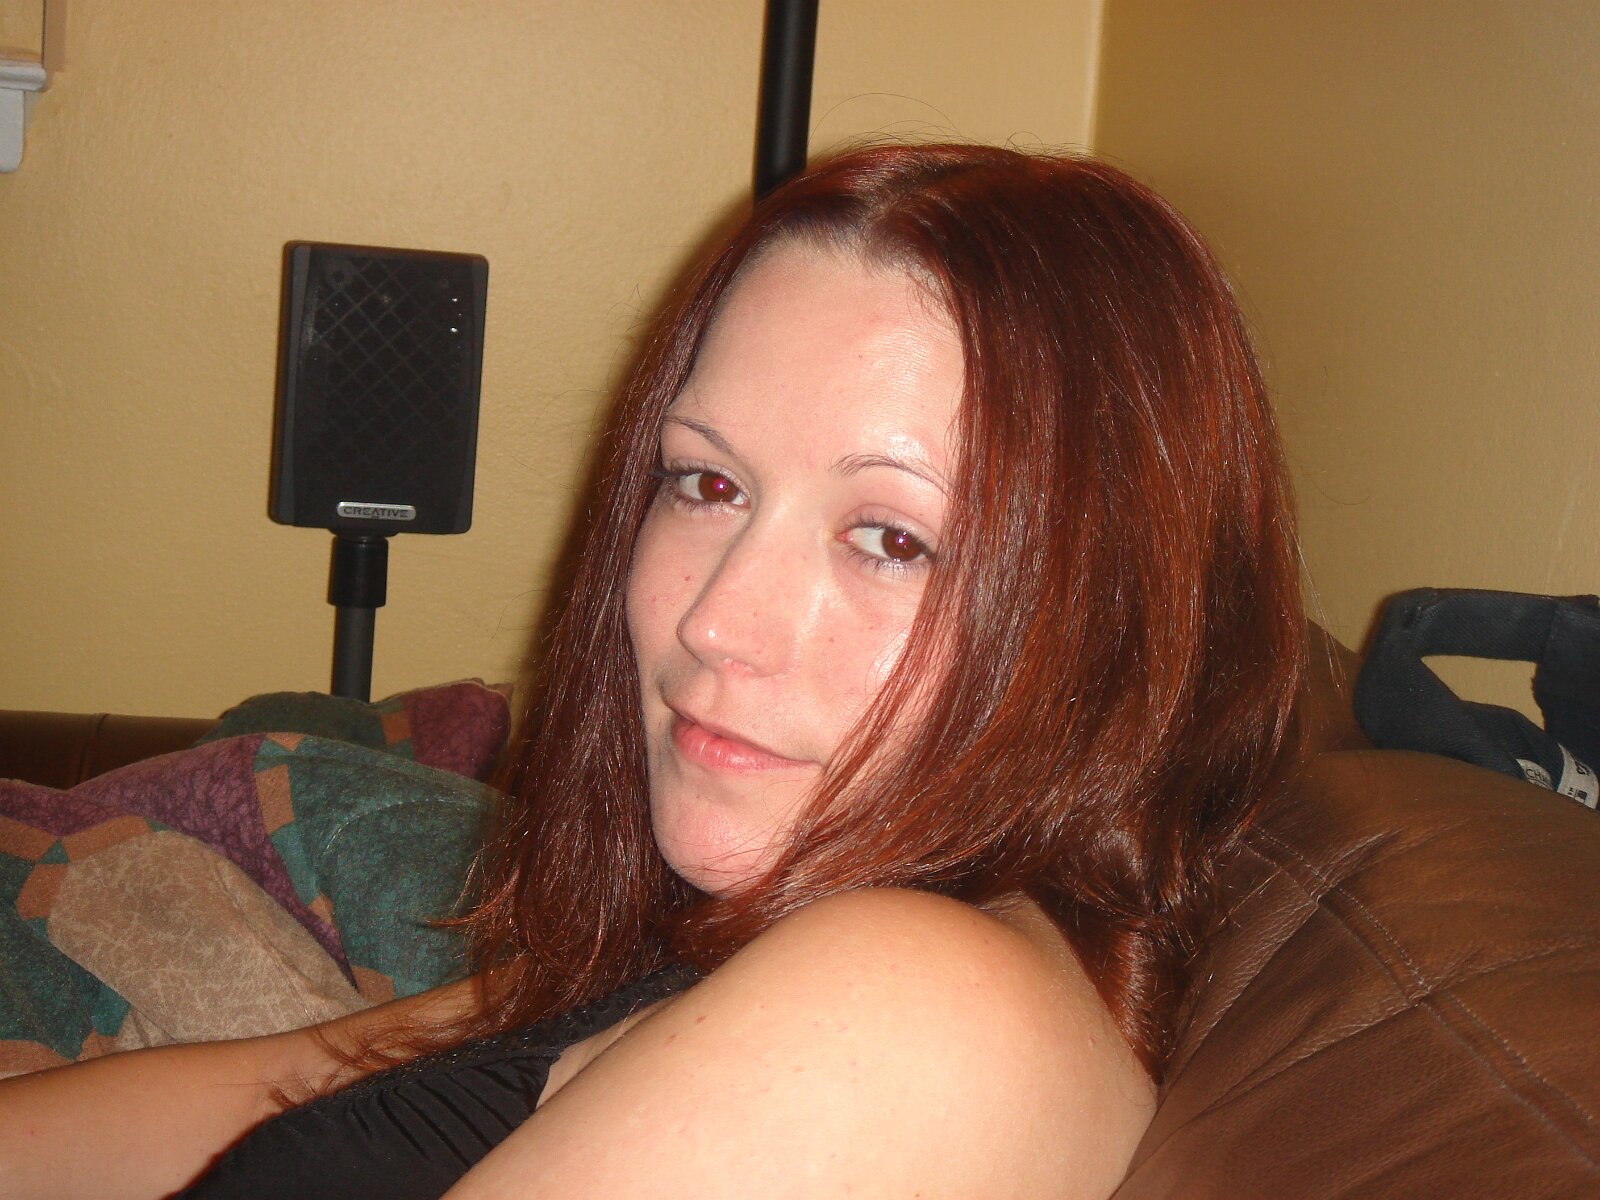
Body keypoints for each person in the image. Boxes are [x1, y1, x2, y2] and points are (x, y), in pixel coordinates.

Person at [0, 143, 1305, 1199]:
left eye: (893, 539)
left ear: (1115, 621)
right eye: (707, 483)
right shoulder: (764, 928)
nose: (717, 622)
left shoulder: (918, 1009)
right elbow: (296, 1081)